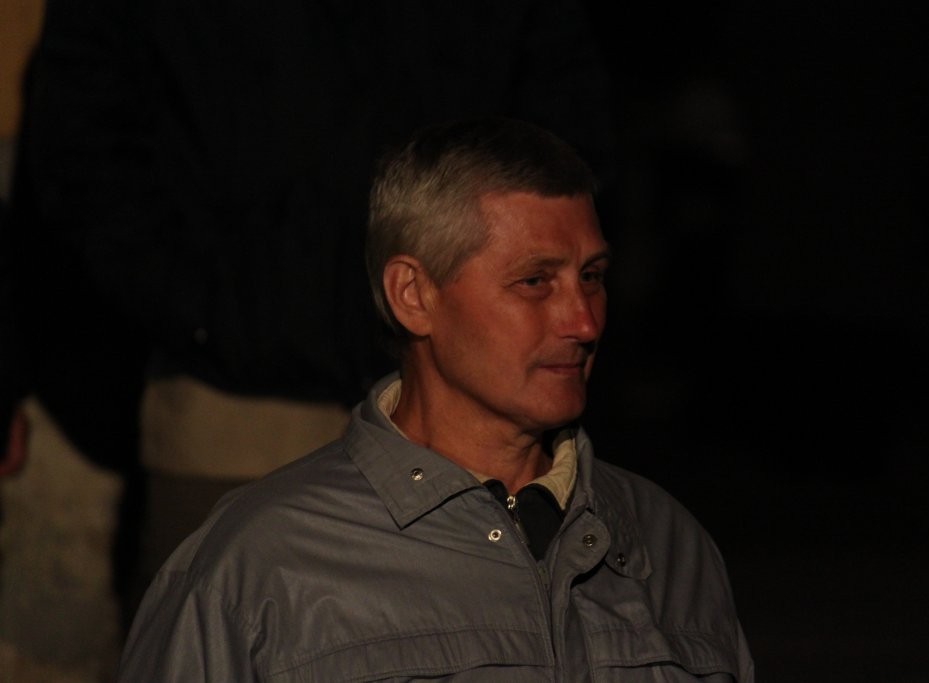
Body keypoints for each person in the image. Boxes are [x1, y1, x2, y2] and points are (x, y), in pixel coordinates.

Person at [116, 116, 754, 681]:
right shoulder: (259, 567)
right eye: (535, 281)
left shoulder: (666, 544)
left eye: (591, 277)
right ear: (413, 296)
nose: (584, 321)